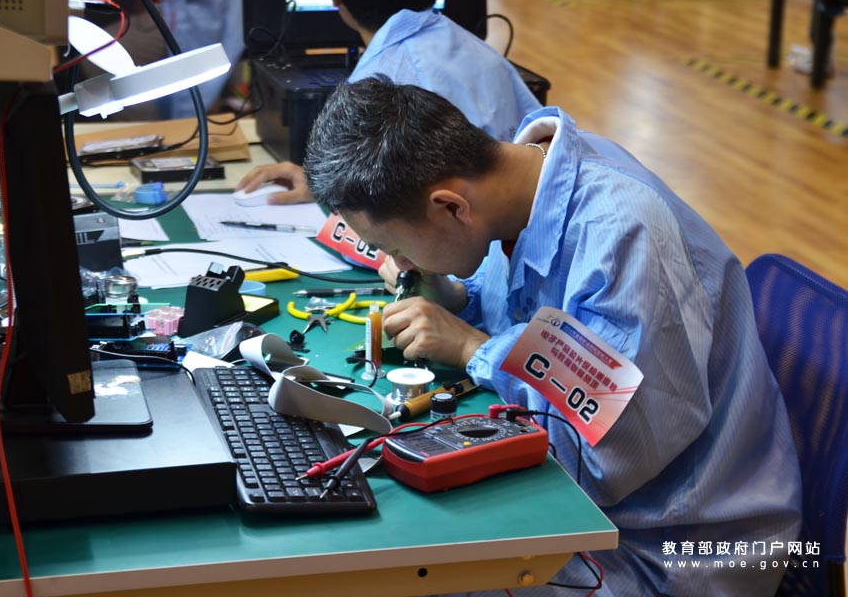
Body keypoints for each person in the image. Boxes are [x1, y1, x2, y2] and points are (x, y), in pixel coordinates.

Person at [302, 76, 803, 596]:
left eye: (396, 248)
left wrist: (475, 348)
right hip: (608, 517)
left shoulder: (623, 238)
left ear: (450, 207)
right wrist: (456, 296)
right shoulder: (518, 184)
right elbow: (528, 310)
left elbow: (602, 463)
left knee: (379, 572)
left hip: (666, 551)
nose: (398, 264)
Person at [236, 0, 541, 204]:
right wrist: (327, 183)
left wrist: (338, 193)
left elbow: (398, 216)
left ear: (336, 0)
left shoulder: (377, 88)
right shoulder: (482, 52)